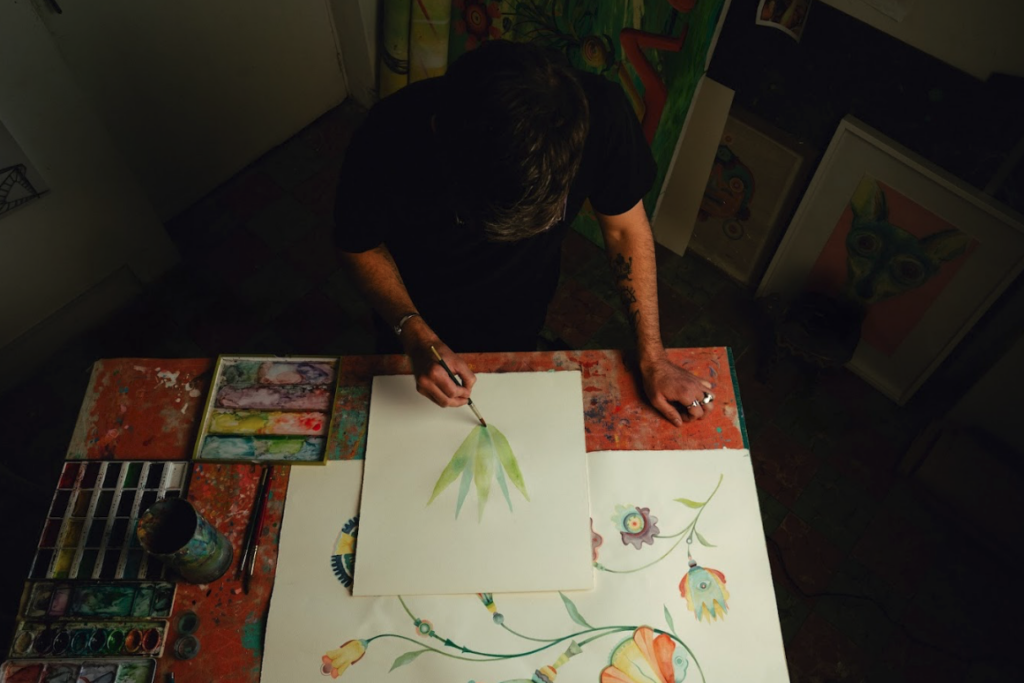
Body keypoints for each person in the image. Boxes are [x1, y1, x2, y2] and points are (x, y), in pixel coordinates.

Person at [334, 40, 713, 425]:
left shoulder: (602, 113)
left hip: (522, 306)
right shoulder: (386, 136)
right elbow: (358, 246)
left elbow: (623, 230)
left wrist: (654, 358)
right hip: (414, 306)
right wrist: (413, 332)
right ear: (440, 133)